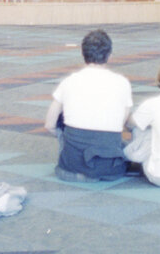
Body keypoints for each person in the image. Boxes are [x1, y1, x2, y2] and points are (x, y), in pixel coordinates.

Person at [43, 28, 133, 181]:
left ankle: (75, 158)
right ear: (110, 56)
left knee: (61, 119)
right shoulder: (122, 83)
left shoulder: (69, 82)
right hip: (110, 168)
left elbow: (49, 125)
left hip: (71, 169)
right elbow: (121, 122)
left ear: (83, 54)